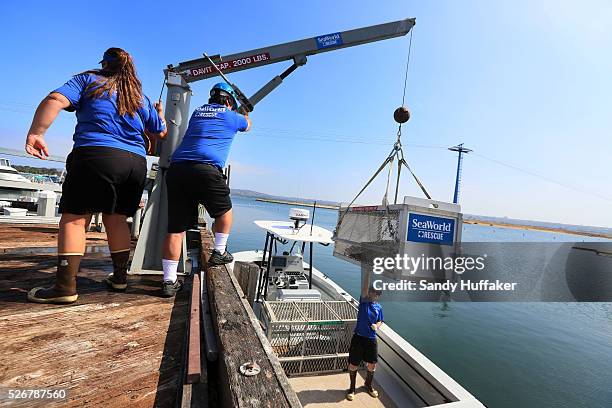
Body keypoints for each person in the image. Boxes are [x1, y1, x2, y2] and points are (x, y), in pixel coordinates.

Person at [26, 47, 167, 304]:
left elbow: (55, 100)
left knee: (75, 219)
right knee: (117, 219)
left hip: (95, 155)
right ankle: (120, 278)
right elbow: (160, 132)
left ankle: (65, 287)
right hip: (135, 163)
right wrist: (158, 113)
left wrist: (37, 132)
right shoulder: (140, 96)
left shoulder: (88, 79)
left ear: (104, 64)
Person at [161, 82, 251, 297]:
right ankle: (219, 252)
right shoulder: (232, 117)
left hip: (178, 169)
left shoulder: (197, 112)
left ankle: (168, 281)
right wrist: (246, 111)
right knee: (225, 214)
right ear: (229, 101)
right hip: (206, 169)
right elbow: (247, 125)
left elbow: (214, 119)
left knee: (175, 229)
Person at [346, 284, 384, 401]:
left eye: (377, 293)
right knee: (353, 364)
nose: (374, 294)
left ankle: (368, 385)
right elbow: (364, 288)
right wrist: (367, 270)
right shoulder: (363, 302)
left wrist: (376, 326)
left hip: (371, 339)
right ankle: (352, 388)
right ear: (369, 292)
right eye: (372, 291)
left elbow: (381, 320)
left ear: (378, 296)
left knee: (372, 364)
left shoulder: (379, 307)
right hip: (359, 338)